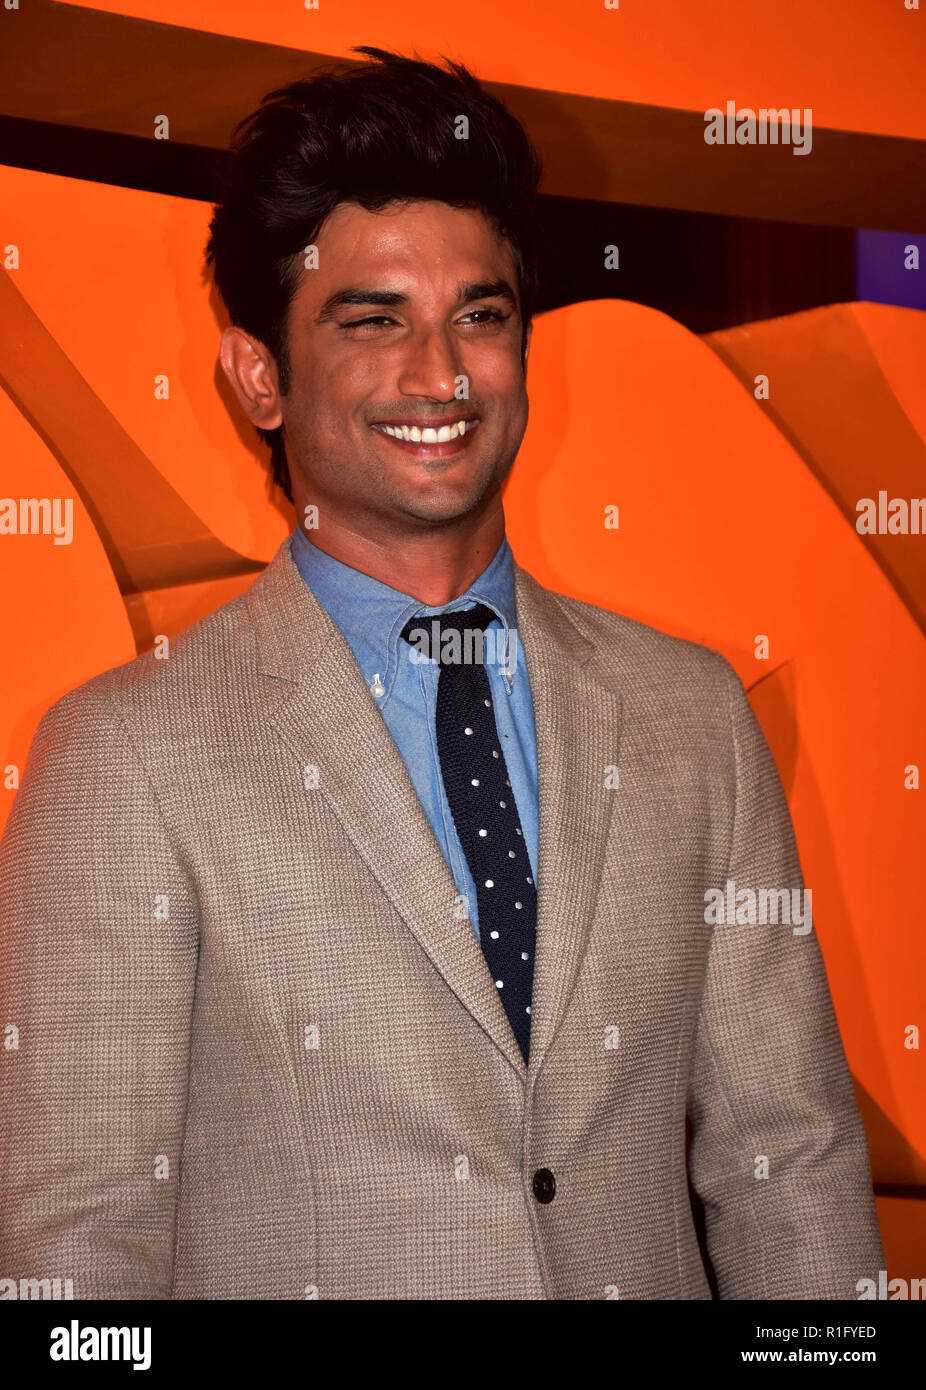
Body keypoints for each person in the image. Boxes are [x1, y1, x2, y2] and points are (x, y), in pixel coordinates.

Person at [0, 46, 883, 1300]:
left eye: (480, 315)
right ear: (258, 374)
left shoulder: (689, 714)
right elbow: (76, 1251)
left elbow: (784, 1158)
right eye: (372, 322)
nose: (440, 375)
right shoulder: (126, 757)